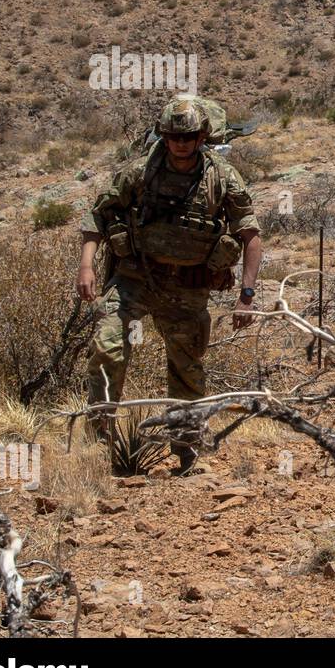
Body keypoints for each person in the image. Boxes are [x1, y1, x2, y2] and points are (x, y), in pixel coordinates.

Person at [76, 96, 262, 473]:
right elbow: (97, 216)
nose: (180, 143)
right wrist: (86, 266)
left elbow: (250, 236)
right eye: (173, 136)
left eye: (188, 135)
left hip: (188, 288)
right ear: (163, 135)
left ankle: (187, 450)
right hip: (136, 279)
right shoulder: (140, 172)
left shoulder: (222, 177)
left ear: (202, 137)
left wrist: (246, 295)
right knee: (108, 348)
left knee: (187, 370)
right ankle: (99, 447)